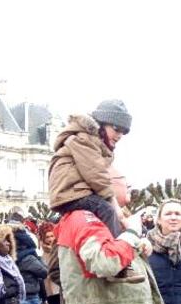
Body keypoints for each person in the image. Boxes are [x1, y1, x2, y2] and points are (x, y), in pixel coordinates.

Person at [48, 99, 143, 283]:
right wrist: (118, 212)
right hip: (71, 191)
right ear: (101, 123)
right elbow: (97, 177)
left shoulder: (91, 141)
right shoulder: (84, 139)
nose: (120, 134)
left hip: (74, 191)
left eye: (123, 131)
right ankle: (117, 262)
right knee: (106, 209)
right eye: (116, 128)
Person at [13, 226, 48, 304]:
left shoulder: (10, 256)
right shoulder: (28, 257)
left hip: (15, 298)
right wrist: (38, 258)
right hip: (30, 296)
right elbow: (44, 271)